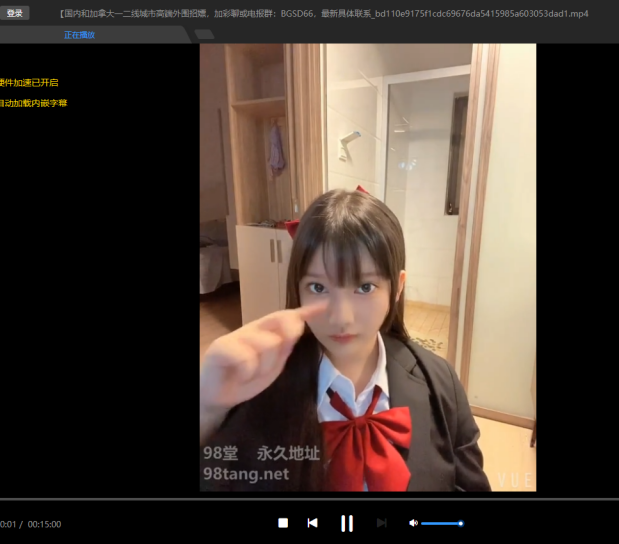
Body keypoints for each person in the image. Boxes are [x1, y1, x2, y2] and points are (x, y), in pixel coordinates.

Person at [200, 188, 491, 492]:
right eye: (318, 287)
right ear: (297, 288)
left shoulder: (442, 384)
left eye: (364, 287)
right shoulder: (261, 384)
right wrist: (207, 408)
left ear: (397, 288)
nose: (341, 317)